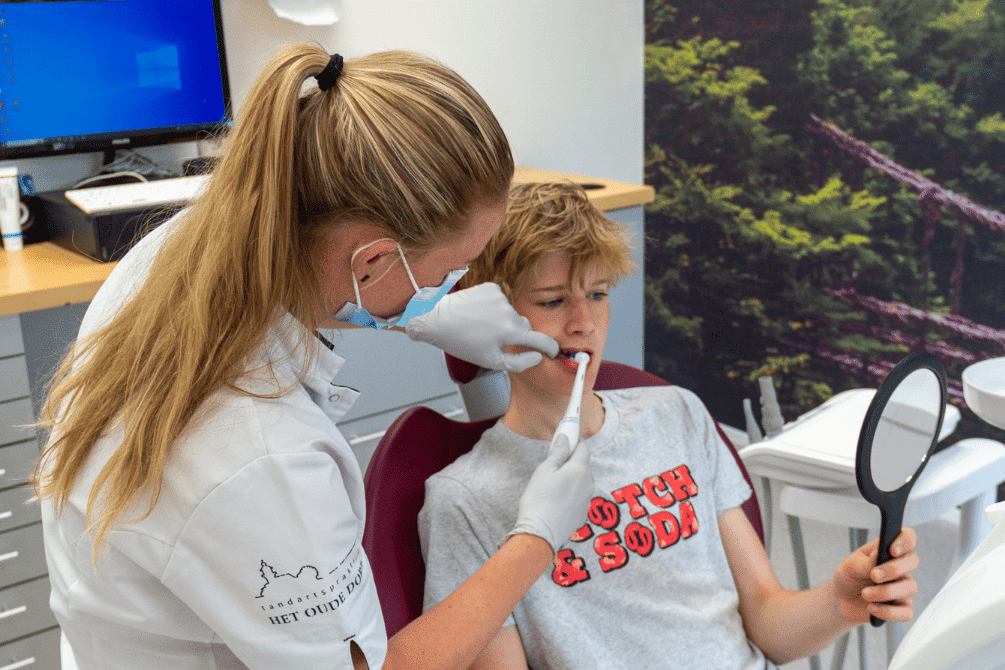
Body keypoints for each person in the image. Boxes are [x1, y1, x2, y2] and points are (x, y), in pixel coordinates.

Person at [32, 46, 594, 670]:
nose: (456, 283)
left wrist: (418, 313)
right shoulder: (262, 464)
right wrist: (535, 541)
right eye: (449, 271)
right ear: (373, 260)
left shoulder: (189, 246)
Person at [418, 181, 920, 670]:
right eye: (552, 301)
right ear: (492, 320)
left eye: (597, 294)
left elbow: (769, 624)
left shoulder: (677, 414)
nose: (583, 322)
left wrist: (838, 600)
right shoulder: (462, 500)